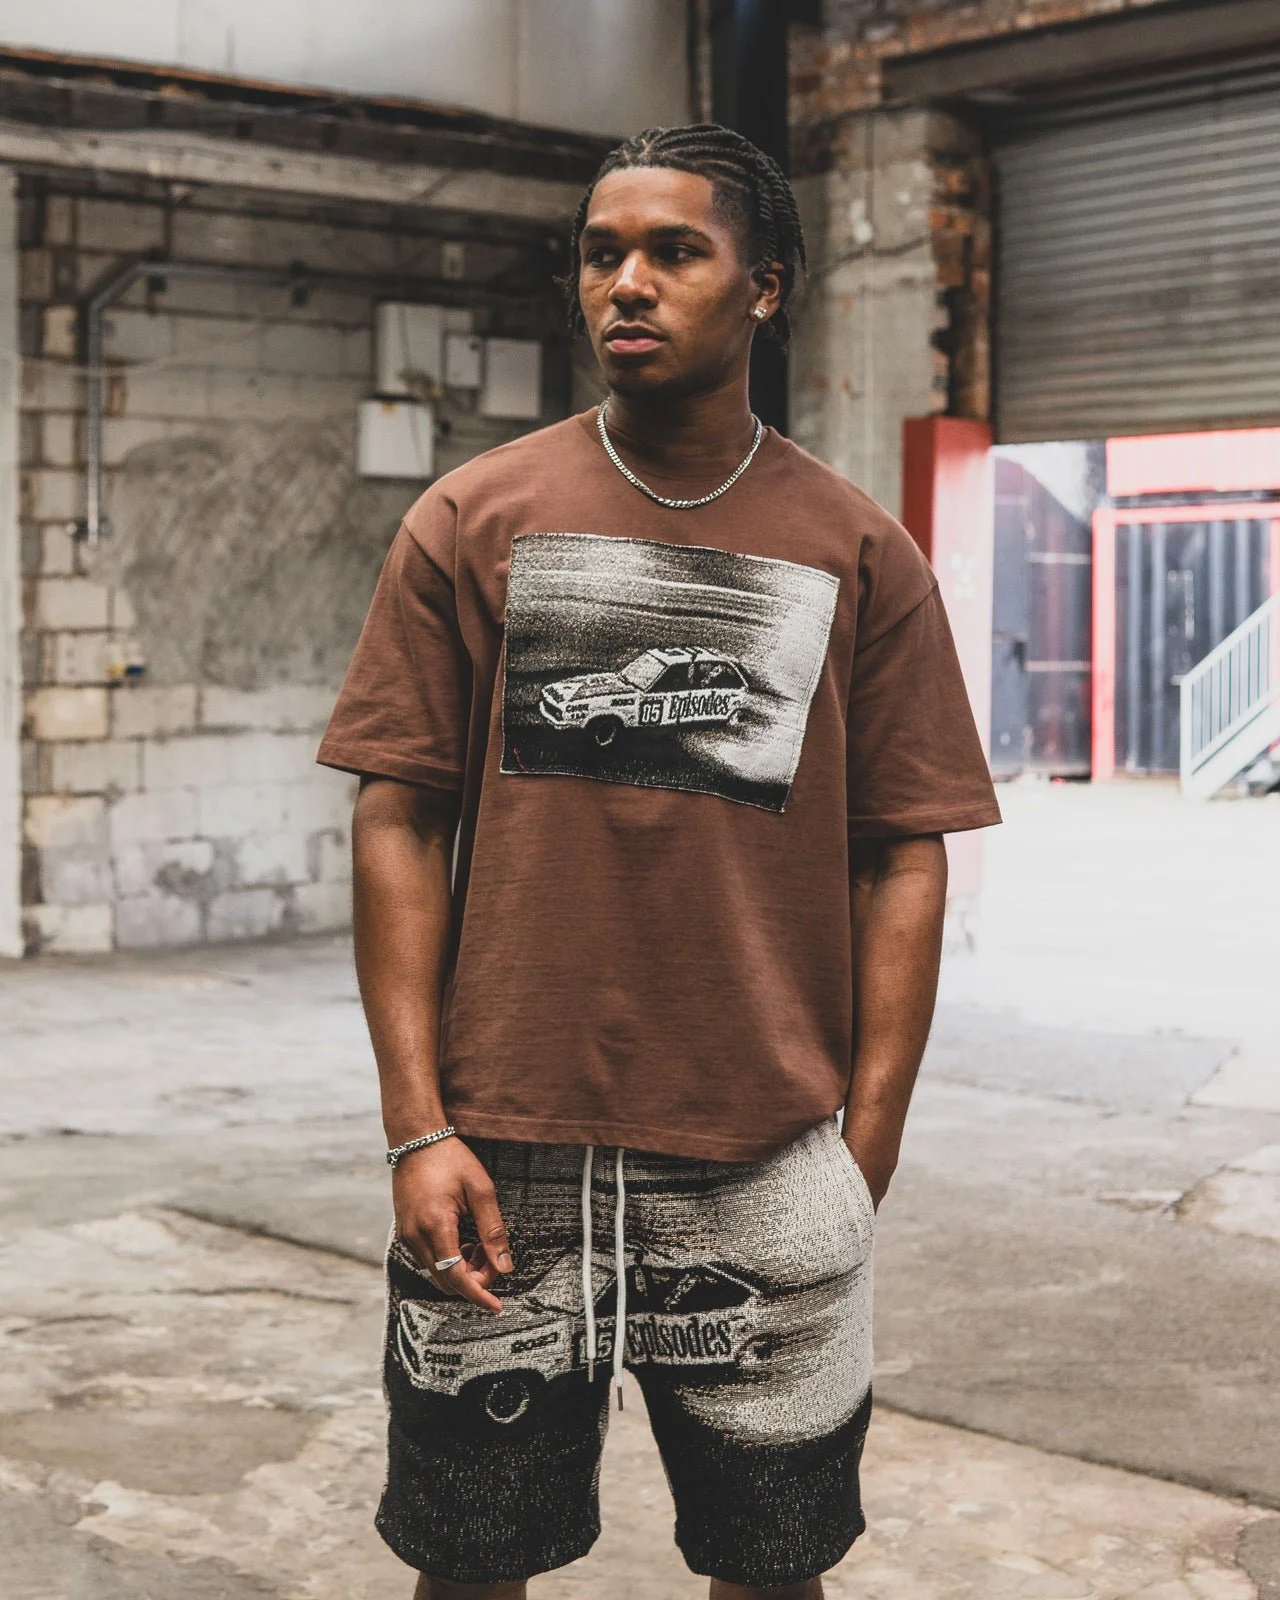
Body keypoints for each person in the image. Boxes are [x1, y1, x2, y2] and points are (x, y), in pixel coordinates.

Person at [318, 123, 1000, 1600]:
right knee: (468, 1560)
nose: (625, 282)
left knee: (776, 1566)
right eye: (600, 251)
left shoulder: (857, 549)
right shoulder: (472, 518)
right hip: (500, 1158)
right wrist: (416, 1126)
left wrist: (861, 1143)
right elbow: (395, 815)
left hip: (758, 1156)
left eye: (673, 251)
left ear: (765, 284)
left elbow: (907, 851)